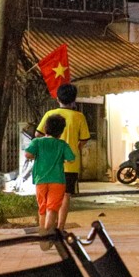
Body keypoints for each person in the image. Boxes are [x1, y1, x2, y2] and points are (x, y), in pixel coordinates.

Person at [36, 83, 90, 231]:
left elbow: (38, 134)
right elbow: (85, 138)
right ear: (74, 99)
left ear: (57, 98)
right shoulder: (79, 116)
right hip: (70, 163)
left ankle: (46, 225)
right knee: (66, 195)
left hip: (49, 164)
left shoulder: (50, 115)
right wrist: (76, 148)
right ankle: (60, 227)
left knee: (47, 195)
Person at [24, 113, 75, 248]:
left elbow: (28, 154)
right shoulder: (62, 144)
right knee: (52, 208)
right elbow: (71, 158)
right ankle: (47, 233)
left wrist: (36, 156)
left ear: (46, 128)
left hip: (40, 180)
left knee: (42, 208)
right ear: (61, 131)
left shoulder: (37, 142)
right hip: (58, 181)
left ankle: (43, 235)